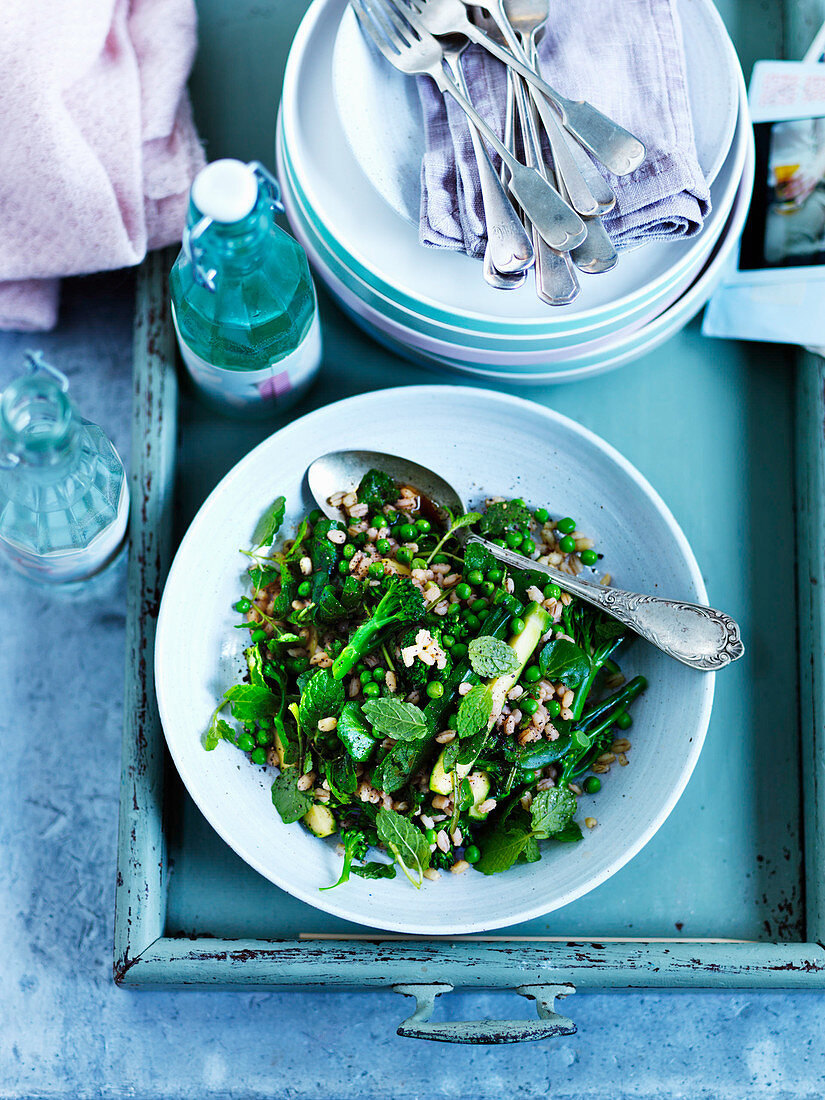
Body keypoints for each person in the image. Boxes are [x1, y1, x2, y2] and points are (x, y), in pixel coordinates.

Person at [763, 116, 825, 265]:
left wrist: (812, 174)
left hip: (805, 187)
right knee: (772, 254)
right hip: (762, 192)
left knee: (792, 251)